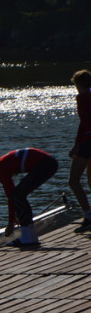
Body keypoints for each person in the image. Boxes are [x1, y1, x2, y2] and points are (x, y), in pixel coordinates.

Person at [0, 148, 59, 248]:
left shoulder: (1, 169)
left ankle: (29, 237)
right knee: (18, 195)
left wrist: (10, 223)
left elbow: (11, 197)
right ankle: (29, 234)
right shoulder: (1, 165)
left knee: (18, 195)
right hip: (48, 162)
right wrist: (13, 218)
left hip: (46, 164)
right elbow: (11, 197)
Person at [67, 70, 91, 232]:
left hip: (87, 142)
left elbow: (84, 123)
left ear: (79, 84)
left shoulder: (82, 98)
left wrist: (76, 145)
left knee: (74, 181)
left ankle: (88, 216)